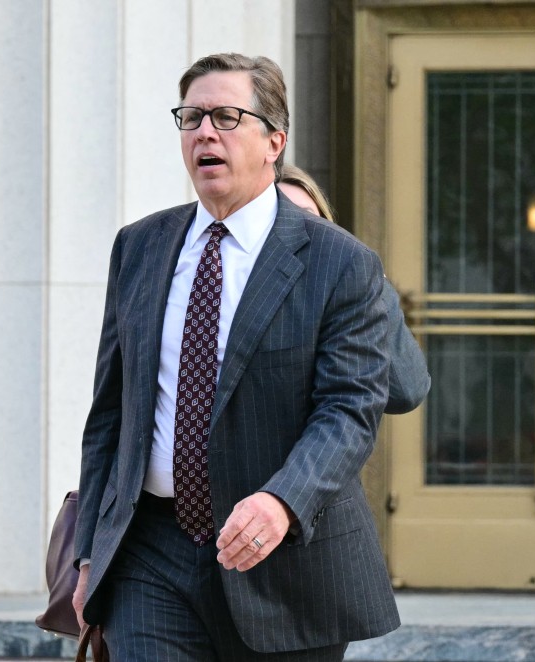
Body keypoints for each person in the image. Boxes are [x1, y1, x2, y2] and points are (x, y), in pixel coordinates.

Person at [74, 53, 399, 661]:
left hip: (286, 558)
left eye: (226, 116)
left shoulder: (340, 263)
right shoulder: (139, 247)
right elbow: (110, 413)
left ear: (274, 141)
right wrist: (91, 550)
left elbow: (349, 410)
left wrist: (282, 500)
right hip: (151, 551)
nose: (204, 133)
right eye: (191, 117)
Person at [277, 164, 430, 414]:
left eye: (309, 219)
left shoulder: (344, 295)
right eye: (284, 222)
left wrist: (371, 281)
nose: (300, 233)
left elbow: (407, 390)